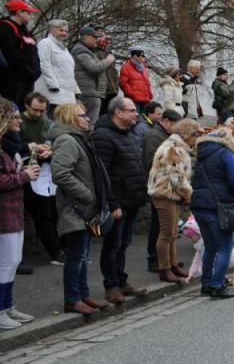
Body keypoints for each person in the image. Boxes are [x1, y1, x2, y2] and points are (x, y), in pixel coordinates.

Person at [49, 103, 111, 315]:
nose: (87, 118)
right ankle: (72, 298)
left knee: (83, 254)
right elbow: (61, 174)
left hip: (86, 208)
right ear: (70, 119)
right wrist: (87, 195)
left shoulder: (81, 139)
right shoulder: (67, 140)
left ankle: (83, 294)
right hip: (75, 207)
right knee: (76, 255)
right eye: (82, 115)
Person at [92, 97, 149, 303]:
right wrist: (112, 204)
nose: (137, 114)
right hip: (118, 203)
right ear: (118, 112)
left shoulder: (129, 134)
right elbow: (104, 174)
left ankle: (121, 280)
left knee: (123, 243)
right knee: (112, 245)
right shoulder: (103, 136)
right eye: (132, 110)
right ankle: (111, 285)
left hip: (132, 199)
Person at [189, 126, 234, 298]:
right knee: (224, 248)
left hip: (199, 205)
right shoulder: (225, 154)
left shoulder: (201, 154)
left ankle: (206, 284)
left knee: (210, 247)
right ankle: (217, 285)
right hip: (218, 206)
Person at [0, 100, 39, 330]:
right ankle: (1, 309)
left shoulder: (5, 147)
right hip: (4, 214)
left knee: (13, 261)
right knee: (6, 262)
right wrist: (23, 176)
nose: (19, 120)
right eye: (14, 116)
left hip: (13, 211)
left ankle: (8, 305)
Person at [147, 118, 200, 283]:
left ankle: (173, 265)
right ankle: (165, 269)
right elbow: (177, 177)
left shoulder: (176, 147)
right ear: (187, 134)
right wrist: (189, 194)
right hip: (165, 193)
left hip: (170, 193)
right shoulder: (174, 149)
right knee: (167, 233)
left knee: (171, 233)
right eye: (195, 135)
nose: (196, 139)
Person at [19, 93, 63, 264]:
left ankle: (60, 248)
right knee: (42, 215)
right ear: (26, 105)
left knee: (55, 212)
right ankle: (55, 252)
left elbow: (56, 144)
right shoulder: (19, 122)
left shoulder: (47, 122)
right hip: (27, 172)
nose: (38, 114)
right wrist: (32, 150)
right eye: (35, 110)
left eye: (42, 111)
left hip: (47, 172)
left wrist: (49, 152)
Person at [142, 108, 182, 272]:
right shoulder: (154, 136)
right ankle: (155, 260)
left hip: (168, 187)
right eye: (175, 125)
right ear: (165, 121)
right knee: (159, 227)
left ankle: (168, 262)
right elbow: (153, 162)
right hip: (159, 187)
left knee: (168, 229)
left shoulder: (166, 136)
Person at [34, 20, 80, 117]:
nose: (64, 33)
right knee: (52, 122)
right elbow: (44, 64)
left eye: (66, 31)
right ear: (52, 30)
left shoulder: (65, 49)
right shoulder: (45, 43)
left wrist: (76, 90)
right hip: (52, 94)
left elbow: (69, 72)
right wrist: (53, 85)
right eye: (61, 30)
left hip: (66, 95)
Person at [0, 0, 41, 107]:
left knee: (25, 111)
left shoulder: (26, 31)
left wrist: (37, 71)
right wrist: (28, 72)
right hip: (13, 80)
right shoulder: (5, 27)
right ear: (19, 12)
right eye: (28, 13)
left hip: (28, 79)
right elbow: (11, 54)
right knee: (12, 110)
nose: (30, 16)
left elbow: (34, 53)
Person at [71, 26, 115, 120]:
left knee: (88, 124)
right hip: (89, 93)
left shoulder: (88, 51)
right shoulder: (81, 50)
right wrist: (108, 60)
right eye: (94, 37)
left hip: (92, 93)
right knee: (89, 124)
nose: (97, 40)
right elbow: (94, 68)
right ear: (85, 37)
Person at [119, 47, 153, 112]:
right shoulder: (126, 67)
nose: (143, 58)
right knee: (134, 119)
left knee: (144, 120)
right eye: (141, 55)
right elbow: (123, 83)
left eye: (143, 56)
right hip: (134, 100)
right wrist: (132, 94)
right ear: (134, 56)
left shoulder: (144, 68)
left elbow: (147, 83)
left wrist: (150, 95)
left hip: (146, 100)